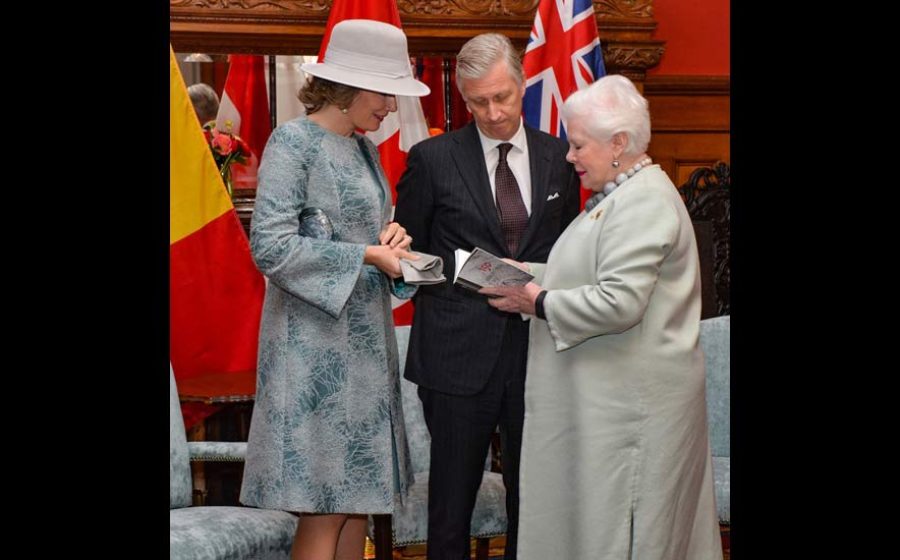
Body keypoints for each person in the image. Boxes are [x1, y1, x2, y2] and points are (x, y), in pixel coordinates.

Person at [480, 74, 724, 560]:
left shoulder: (644, 201)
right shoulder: (623, 195)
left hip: (632, 415)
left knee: (627, 534)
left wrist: (538, 301)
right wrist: (524, 274)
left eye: (577, 145)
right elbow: (589, 271)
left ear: (618, 143)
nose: (569, 157)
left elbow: (619, 303)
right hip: (609, 405)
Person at [239, 19, 430, 560]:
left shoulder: (365, 151)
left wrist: (391, 240)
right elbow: (271, 248)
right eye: (385, 92)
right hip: (311, 352)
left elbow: (363, 239)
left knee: (354, 507)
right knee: (324, 507)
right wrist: (367, 253)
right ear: (350, 87)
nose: (391, 107)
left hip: (366, 349)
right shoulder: (293, 142)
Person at [393, 33, 580, 560]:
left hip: (540, 355)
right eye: (479, 102)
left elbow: (571, 254)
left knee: (536, 502)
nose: (494, 112)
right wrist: (473, 272)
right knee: (450, 511)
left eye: (503, 96)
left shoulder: (560, 157)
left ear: (523, 85)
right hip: (455, 359)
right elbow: (408, 261)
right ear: (461, 96)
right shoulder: (431, 159)